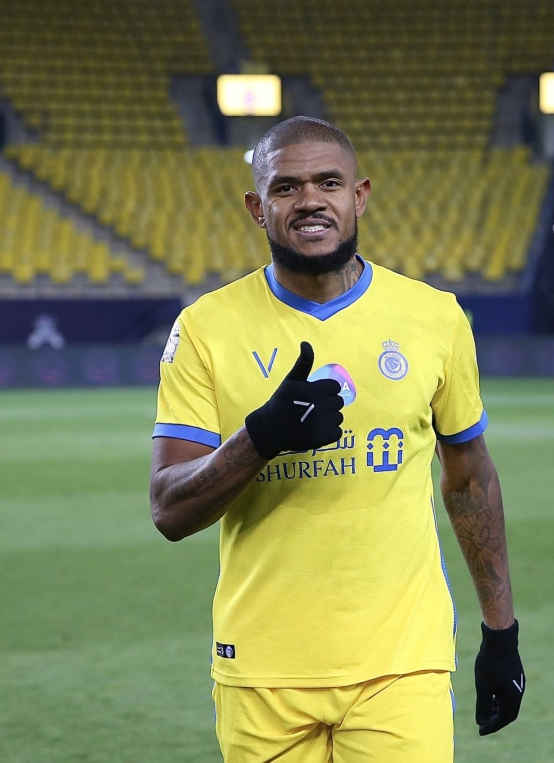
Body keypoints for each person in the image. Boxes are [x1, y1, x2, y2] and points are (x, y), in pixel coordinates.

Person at [150, 116, 525, 763]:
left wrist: (502, 631)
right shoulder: (205, 328)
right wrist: (260, 437)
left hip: (402, 663)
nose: (310, 200)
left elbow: (469, 477)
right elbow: (169, 510)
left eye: (328, 183)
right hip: (261, 669)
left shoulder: (434, 316)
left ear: (360, 195)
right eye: (286, 187)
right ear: (257, 208)